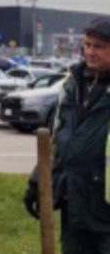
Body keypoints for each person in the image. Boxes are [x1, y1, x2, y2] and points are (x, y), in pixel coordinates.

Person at [24, 16, 110, 254]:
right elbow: (57, 142)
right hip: (75, 205)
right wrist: (37, 182)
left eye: (99, 47)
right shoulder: (72, 86)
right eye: (87, 45)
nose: (90, 52)